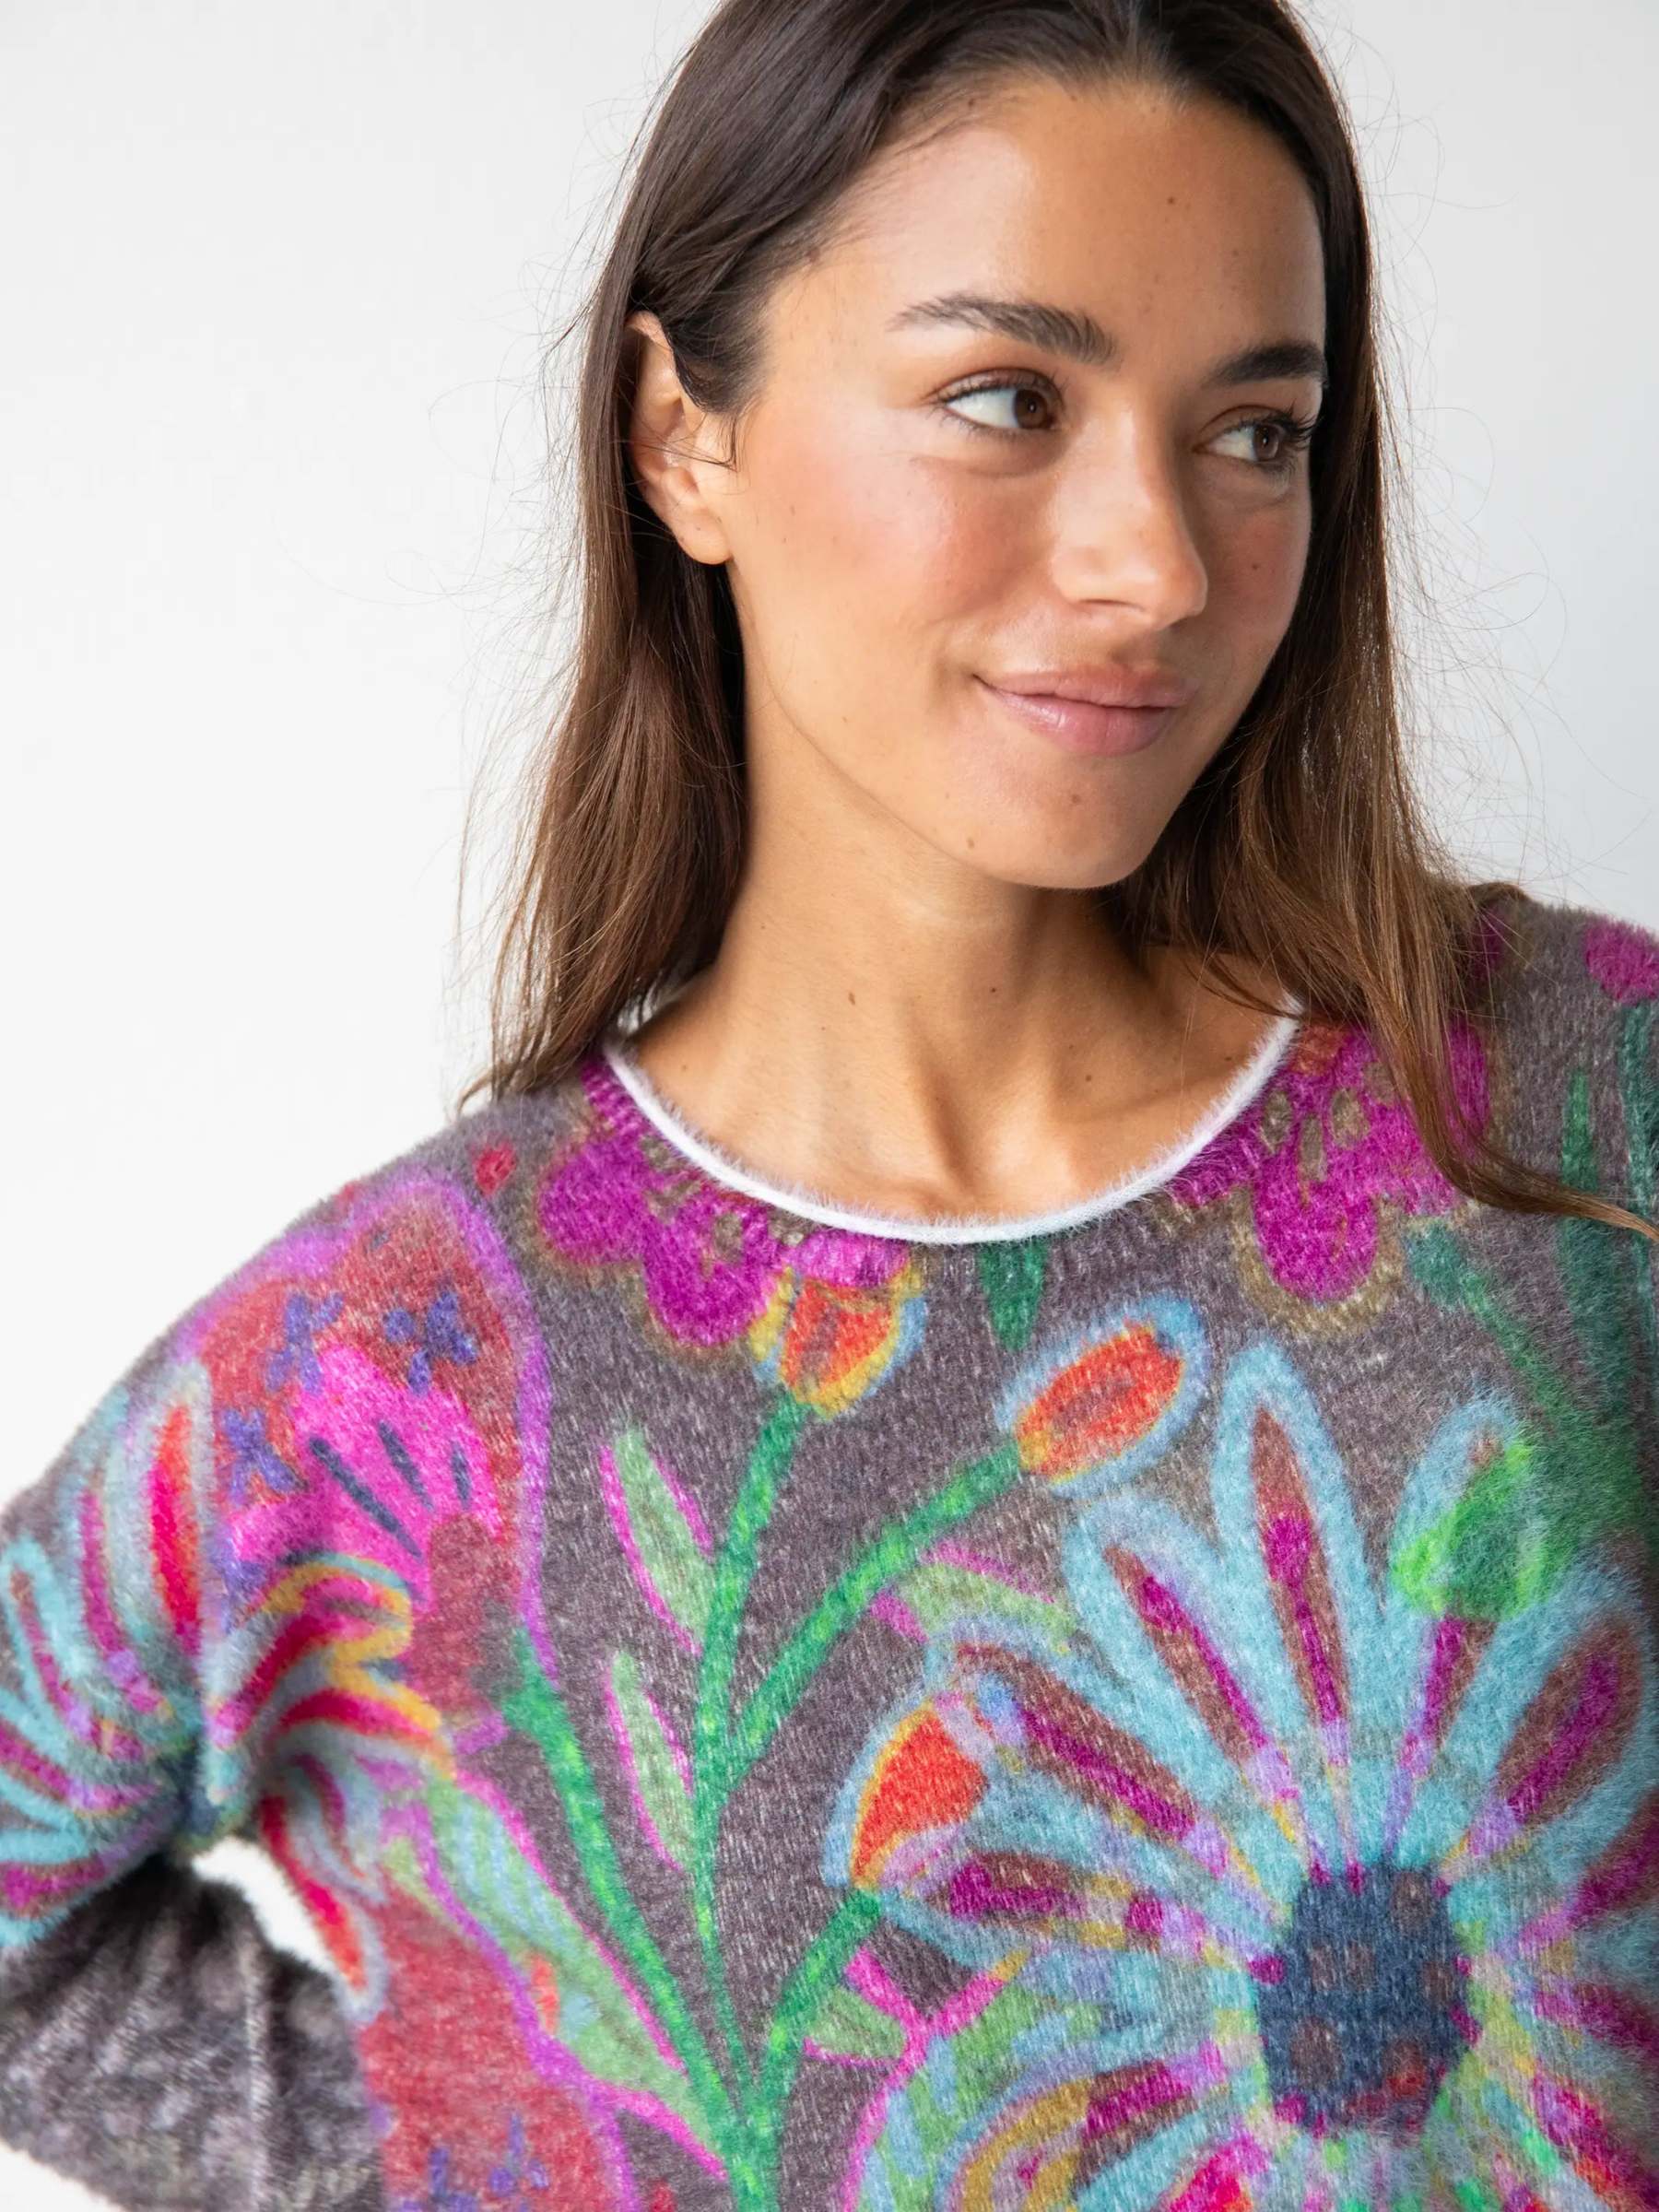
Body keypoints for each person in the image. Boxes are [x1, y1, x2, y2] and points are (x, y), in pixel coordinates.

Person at [5, 1, 1656, 2206]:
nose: (1159, 563)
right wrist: (495, 2154)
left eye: (1256, 432)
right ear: (683, 437)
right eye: (1008, 399)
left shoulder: (1572, 1118)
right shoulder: (418, 1366)